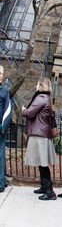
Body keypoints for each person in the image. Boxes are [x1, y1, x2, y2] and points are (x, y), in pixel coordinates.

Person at [22, 77, 57, 200]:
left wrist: (23, 110)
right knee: (41, 163)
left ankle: (49, 191)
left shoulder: (40, 98)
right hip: (41, 133)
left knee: (42, 163)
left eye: (37, 84)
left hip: (39, 134)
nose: (36, 86)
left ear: (41, 85)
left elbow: (29, 113)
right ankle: (44, 186)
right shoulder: (45, 98)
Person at [0, 66, 11, 194]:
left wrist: (3, 126)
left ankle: (1, 181)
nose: (1, 76)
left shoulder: (4, 92)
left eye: (2, 74)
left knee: (0, 155)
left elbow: (8, 110)